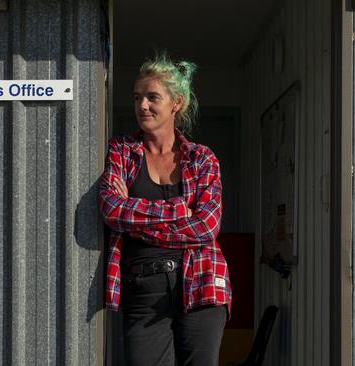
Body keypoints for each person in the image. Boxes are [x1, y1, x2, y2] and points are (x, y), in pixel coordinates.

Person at [98, 53, 231, 366]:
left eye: (152, 97)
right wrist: (176, 211)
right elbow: (112, 210)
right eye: (137, 97)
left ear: (176, 103)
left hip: (202, 283)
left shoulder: (202, 159)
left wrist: (137, 219)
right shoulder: (122, 152)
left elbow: (207, 227)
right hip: (143, 290)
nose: (142, 105)